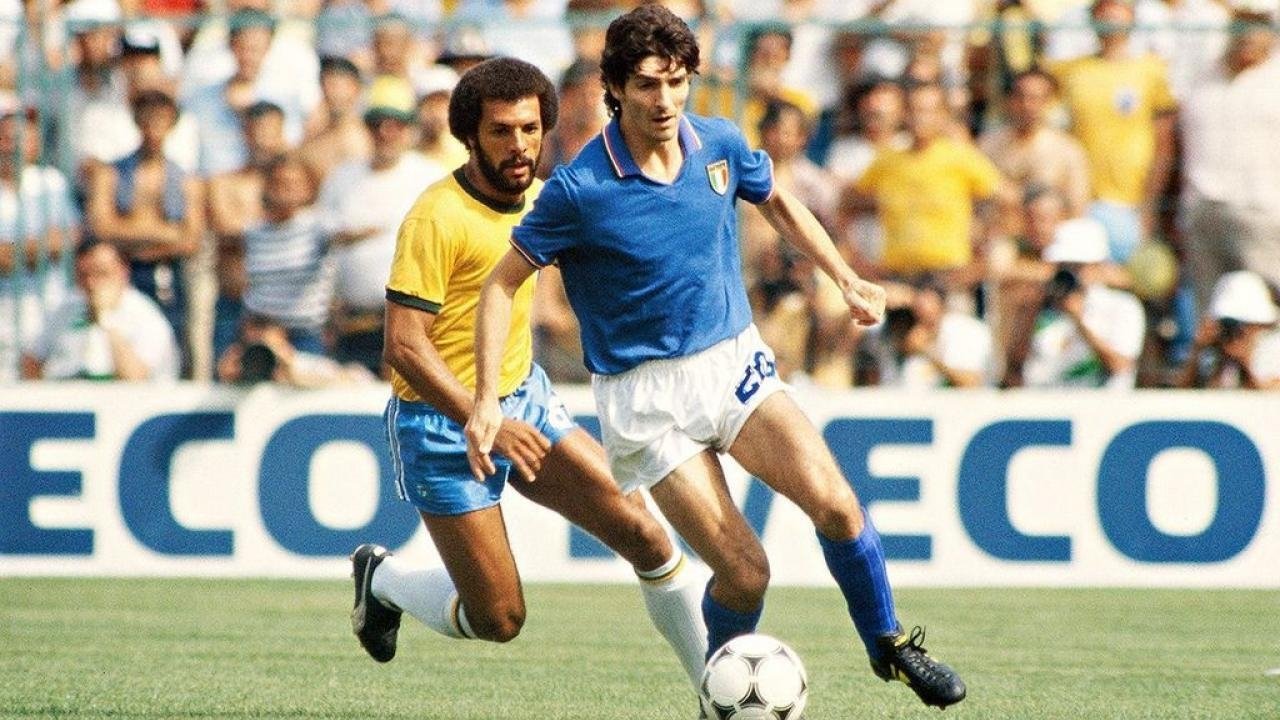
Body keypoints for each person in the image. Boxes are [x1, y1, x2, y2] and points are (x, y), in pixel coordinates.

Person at [467, 5, 966, 711]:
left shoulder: (720, 143)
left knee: (837, 505)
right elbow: (500, 285)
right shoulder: (581, 188)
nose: (664, 99)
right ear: (616, 87)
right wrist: (486, 398)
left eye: (676, 81)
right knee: (745, 572)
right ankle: (718, 697)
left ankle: (889, 645)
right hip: (645, 397)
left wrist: (844, 277)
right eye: (647, 84)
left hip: (733, 363)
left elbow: (777, 201)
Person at [348, 57, 709, 697]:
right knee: (500, 619)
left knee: (648, 535)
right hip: (441, 425)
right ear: (469, 135)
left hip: (525, 404)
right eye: (500, 131)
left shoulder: (546, 200)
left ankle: (714, 694)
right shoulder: (437, 217)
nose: (519, 145)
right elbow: (403, 345)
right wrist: (480, 416)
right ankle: (385, 581)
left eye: (530, 129)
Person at [317, 76, 445, 377]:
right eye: (377, 124)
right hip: (353, 324)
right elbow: (324, 242)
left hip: (414, 323)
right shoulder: (342, 178)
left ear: (409, 128)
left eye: (395, 124)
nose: (385, 133)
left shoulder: (429, 177)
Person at [84, 89, 204, 370]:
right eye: (148, 120)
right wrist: (165, 231)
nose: (154, 129)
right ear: (137, 121)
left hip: (167, 277)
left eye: (161, 120)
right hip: (123, 273)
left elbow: (191, 239)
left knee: (169, 346)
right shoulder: (112, 173)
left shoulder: (184, 179)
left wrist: (130, 232)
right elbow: (101, 226)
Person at [22, 240, 179, 381]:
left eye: (101, 273)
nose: (91, 283)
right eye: (84, 275)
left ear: (123, 271)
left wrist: (105, 318)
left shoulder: (146, 317)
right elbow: (32, 360)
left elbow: (134, 378)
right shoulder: (67, 308)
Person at [1021, 216, 1147, 389]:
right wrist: (1029, 311)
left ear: (1096, 265)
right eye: (1063, 266)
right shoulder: (1044, 307)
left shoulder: (1123, 307)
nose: (1068, 272)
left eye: (1076, 266)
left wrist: (1080, 321)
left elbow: (1121, 367)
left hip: (1098, 404)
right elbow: (1015, 367)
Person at [1178, 270, 1280, 390]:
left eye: (1245, 324)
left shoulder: (1273, 350)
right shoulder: (1213, 355)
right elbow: (1182, 393)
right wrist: (1197, 349)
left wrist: (1245, 363)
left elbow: (1270, 396)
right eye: (1229, 324)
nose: (1236, 332)